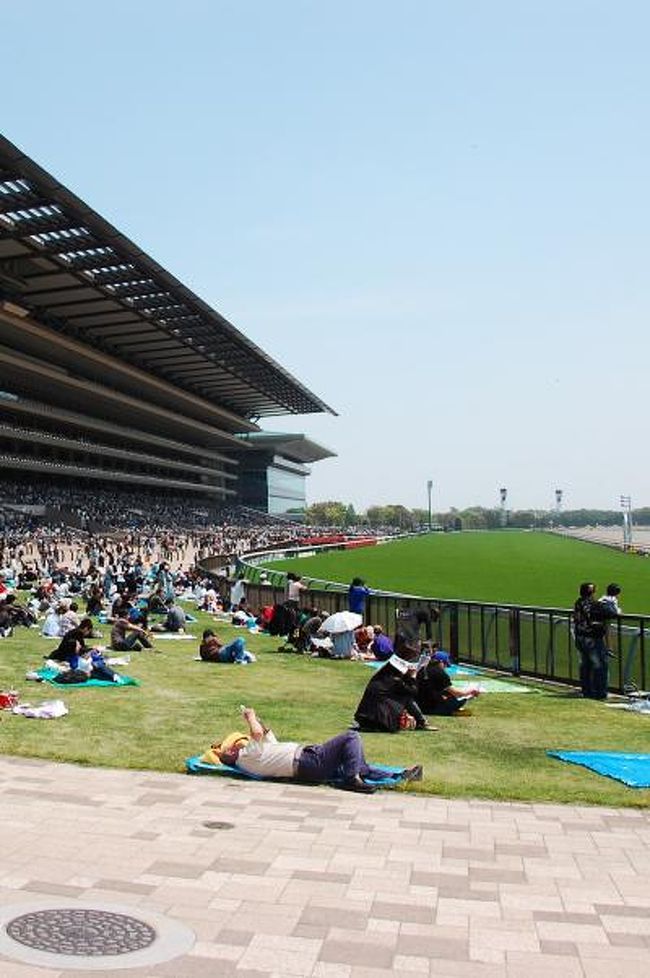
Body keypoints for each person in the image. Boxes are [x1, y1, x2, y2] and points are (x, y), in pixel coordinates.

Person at [210, 706, 422, 794]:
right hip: (307, 762)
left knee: (358, 764)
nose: (234, 745)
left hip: (306, 762)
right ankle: (352, 779)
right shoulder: (245, 757)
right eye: (228, 749)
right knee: (351, 737)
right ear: (231, 756)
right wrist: (251, 717)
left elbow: (263, 734)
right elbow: (255, 735)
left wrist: (258, 722)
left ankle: (400, 776)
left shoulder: (255, 754)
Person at [354, 652, 437, 732]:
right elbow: (413, 691)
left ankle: (422, 722)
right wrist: (412, 677)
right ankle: (422, 722)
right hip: (380, 722)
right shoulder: (395, 681)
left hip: (364, 720)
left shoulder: (379, 677)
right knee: (407, 698)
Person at [572, 582, 615, 700]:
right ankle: (600, 693)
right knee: (600, 665)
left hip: (580, 638)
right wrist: (609, 603)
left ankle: (587, 691)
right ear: (592, 593)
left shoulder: (578, 602)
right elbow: (612, 613)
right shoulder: (594, 604)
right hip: (592, 639)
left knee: (586, 665)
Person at [416, 649, 480, 715]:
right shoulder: (440, 673)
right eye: (445, 664)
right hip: (431, 708)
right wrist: (471, 692)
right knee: (459, 700)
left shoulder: (422, 669)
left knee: (448, 694)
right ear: (440, 662)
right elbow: (457, 693)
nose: (445, 667)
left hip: (419, 705)